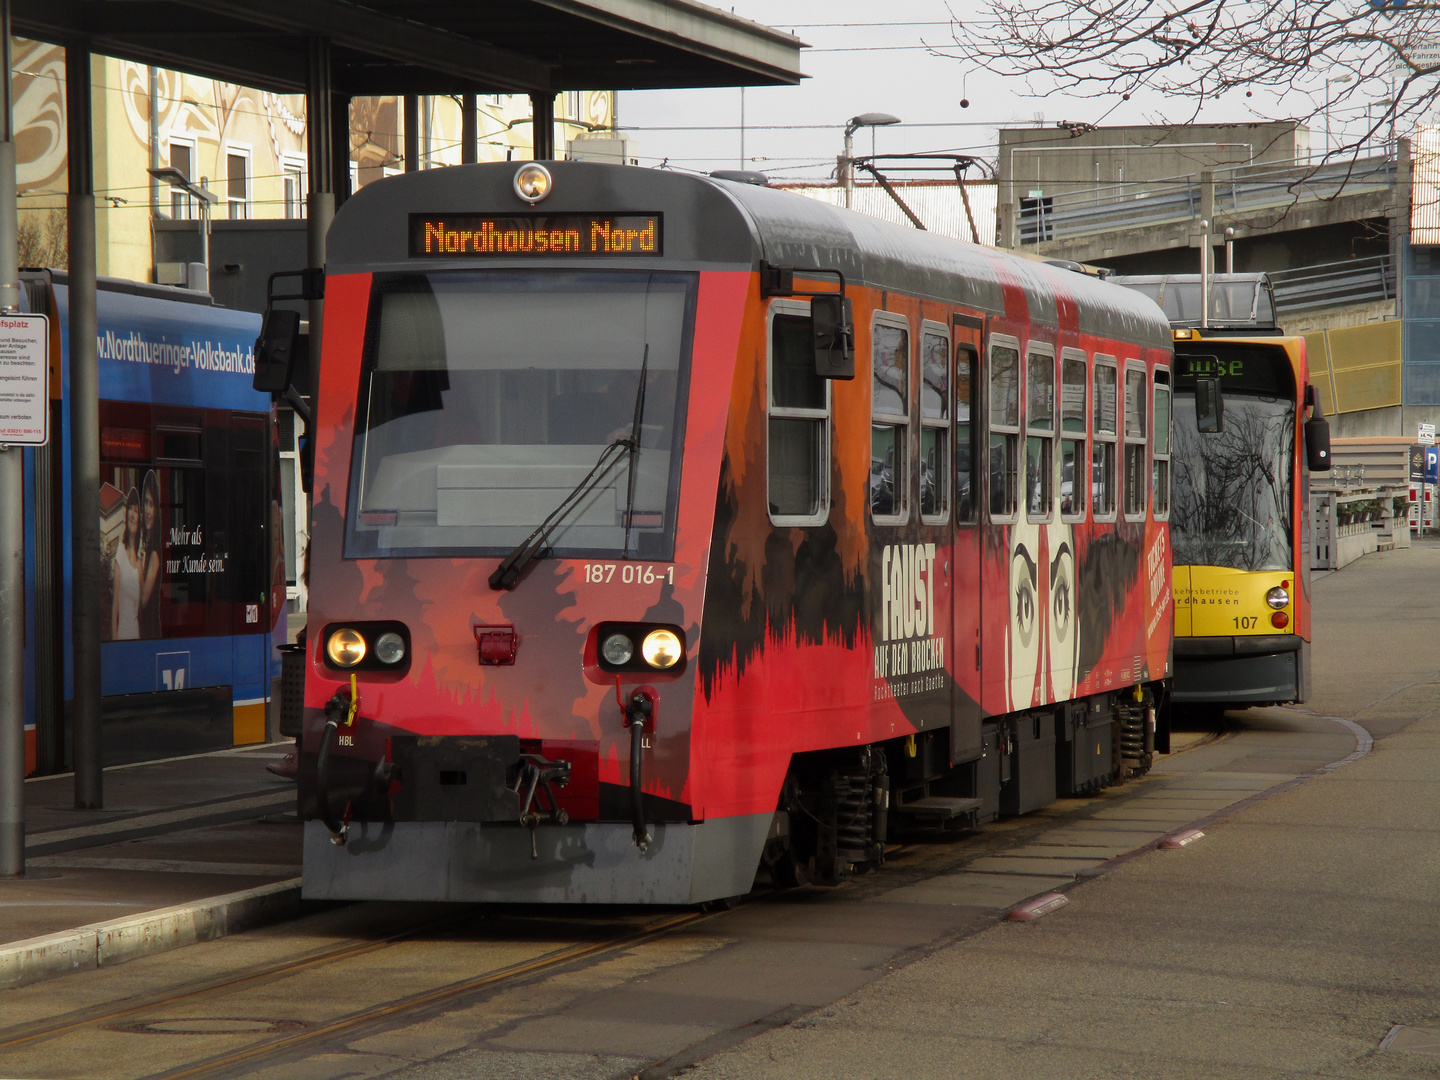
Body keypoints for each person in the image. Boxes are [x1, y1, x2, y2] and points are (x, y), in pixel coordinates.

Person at [111, 487, 142, 641]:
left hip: (137, 636)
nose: (132, 514)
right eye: (130, 508)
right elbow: (114, 609)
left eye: (136, 510)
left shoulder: (141, 559)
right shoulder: (120, 553)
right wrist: (114, 643)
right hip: (122, 635)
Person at [138, 470, 162, 638]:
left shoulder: (153, 553)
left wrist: (136, 561)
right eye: (145, 503)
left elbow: (143, 601)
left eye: (152, 504)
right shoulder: (145, 545)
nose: (147, 510)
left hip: (149, 632)